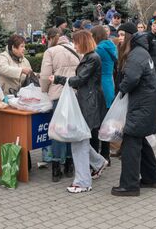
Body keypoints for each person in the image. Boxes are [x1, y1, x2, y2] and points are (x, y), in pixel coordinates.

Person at [50, 30, 108, 193]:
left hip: (89, 104)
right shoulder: (90, 57)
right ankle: (98, 163)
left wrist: (58, 79)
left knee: (79, 140)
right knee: (80, 138)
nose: (74, 45)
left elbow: (79, 80)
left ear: (83, 42)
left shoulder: (92, 58)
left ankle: (83, 182)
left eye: (76, 42)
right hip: (88, 102)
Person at [111, 29, 156, 197]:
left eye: (122, 35)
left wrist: (121, 92)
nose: (119, 39)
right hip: (147, 104)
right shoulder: (141, 52)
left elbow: (132, 78)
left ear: (130, 38)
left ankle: (129, 185)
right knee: (140, 140)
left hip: (142, 105)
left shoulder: (136, 54)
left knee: (131, 142)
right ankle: (152, 178)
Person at [40, 28, 79, 182]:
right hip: (74, 94)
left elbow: (45, 76)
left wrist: (44, 90)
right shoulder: (77, 50)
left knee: (57, 129)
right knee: (70, 128)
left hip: (58, 94)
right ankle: (69, 164)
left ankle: (56, 167)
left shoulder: (50, 52)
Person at [91, 25, 118, 164]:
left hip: (100, 85)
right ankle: (106, 154)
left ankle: (97, 157)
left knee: (97, 123)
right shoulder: (111, 46)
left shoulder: (99, 49)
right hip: (109, 84)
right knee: (106, 122)